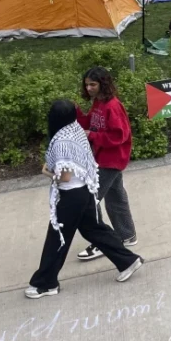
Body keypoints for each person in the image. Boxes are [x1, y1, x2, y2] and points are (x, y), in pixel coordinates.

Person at [26, 99, 142, 298]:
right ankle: (128, 261)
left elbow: (64, 177)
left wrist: (46, 172)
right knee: (94, 230)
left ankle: (45, 283)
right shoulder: (76, 129)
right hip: (86, 191)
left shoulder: (61, 141)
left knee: (57, 240)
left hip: (71, 196)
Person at [74, 67, 139, 261]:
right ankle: (127, 235)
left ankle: (104, 240)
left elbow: (120, 135)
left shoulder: (112, 106)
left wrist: (92, 135)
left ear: (103, 84)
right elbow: (91, 123)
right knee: (116, 197)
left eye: (93, 84)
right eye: (87, 84)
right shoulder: (98, 103)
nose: (89, 88)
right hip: (103, 157)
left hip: (110, 160)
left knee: (89, 199)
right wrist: (75, 112)